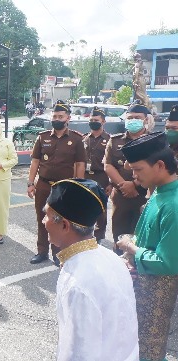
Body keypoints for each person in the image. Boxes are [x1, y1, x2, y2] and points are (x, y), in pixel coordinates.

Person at [43, 179, 138, 360]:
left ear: (64, 225)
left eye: (47, 215)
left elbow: (80, 353)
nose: (43, 221)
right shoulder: (110, 258)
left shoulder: (78, 285)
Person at [115, 132, 178, 361]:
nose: (134, 175)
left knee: (148, 349)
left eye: (138, 169)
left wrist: (131, 248)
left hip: (156, 291)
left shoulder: (174, 204)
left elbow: (167, 262)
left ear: (160, 165)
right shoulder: (159, 191)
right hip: (139, 282)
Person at [27, 100, 86, 266]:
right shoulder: (43, 137)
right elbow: (35, 162)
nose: (57, 119)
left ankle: (58, 253)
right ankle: (42, 251)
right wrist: (31, 183)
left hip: (64, 187)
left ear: (68, 118)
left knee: (60, 222)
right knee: (42, 219)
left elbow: (80, 164)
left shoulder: (76, 139)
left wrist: (78, 187)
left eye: (60, 116)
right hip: (44, 185)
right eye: (54, 116)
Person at [104, 100, 149, 254]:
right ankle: (119, 266)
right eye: (129, 117)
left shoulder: (153, 141)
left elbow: (155, 167)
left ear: (145, 119)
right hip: (121, 196)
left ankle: (136, 270)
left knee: (140, 236)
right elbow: (108, 165)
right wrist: (124, 185)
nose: (132, 120)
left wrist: (134, 184)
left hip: (144, 196)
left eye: (137, 117)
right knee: (119, 234)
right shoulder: (115, 140)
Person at [82, 107, 111, 242]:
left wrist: (111, 183)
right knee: (86, 207)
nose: (93, 122)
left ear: (103, 122)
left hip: (102, 177)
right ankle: (86, 234)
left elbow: (113, 162)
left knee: (101, 209)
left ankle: (98, 237)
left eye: (96, 120)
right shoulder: (84, 139)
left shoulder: (110, 140)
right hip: (86, 176)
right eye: (91, 120)